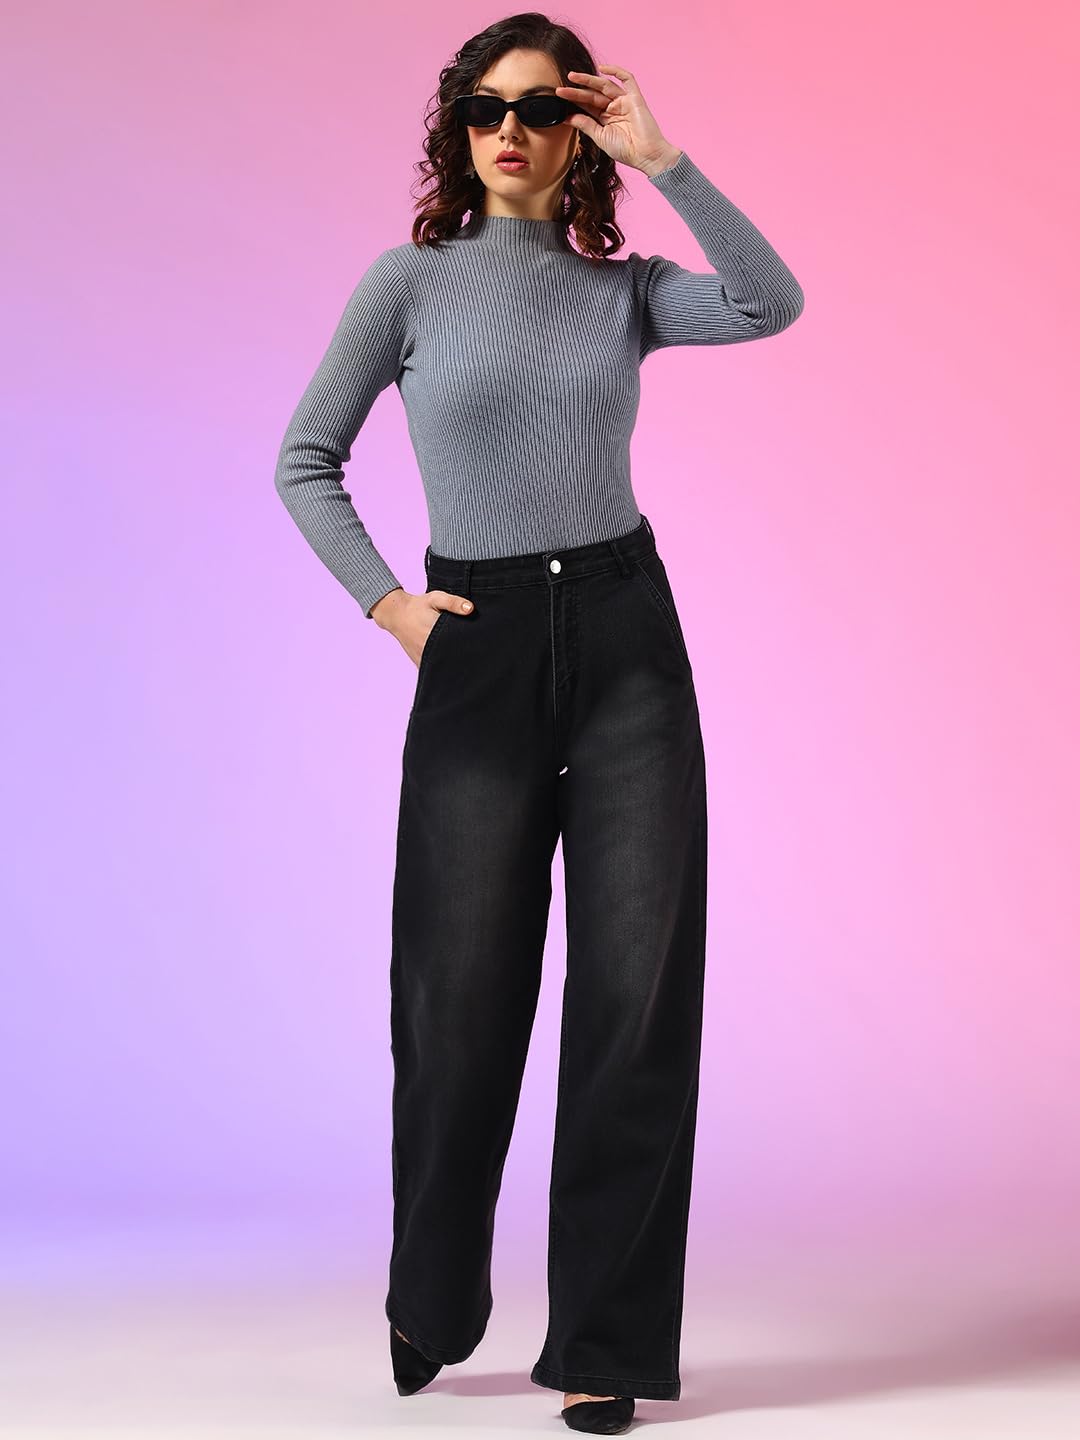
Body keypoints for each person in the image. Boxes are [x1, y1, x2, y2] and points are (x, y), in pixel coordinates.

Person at [274, 16, 803, 1434]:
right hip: (482, 642)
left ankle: (604, 1344)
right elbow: (305, 458)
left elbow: (770, 303)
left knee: (635, 1000)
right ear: (457, 131)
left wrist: (668, 158)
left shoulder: (623, 292)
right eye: (483, 108)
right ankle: (433, 1299)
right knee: (456, 998)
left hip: (628, 639)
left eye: (539, 108)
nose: (508, 129)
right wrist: (389, 603)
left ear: (579, 133)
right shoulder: (407, 284)